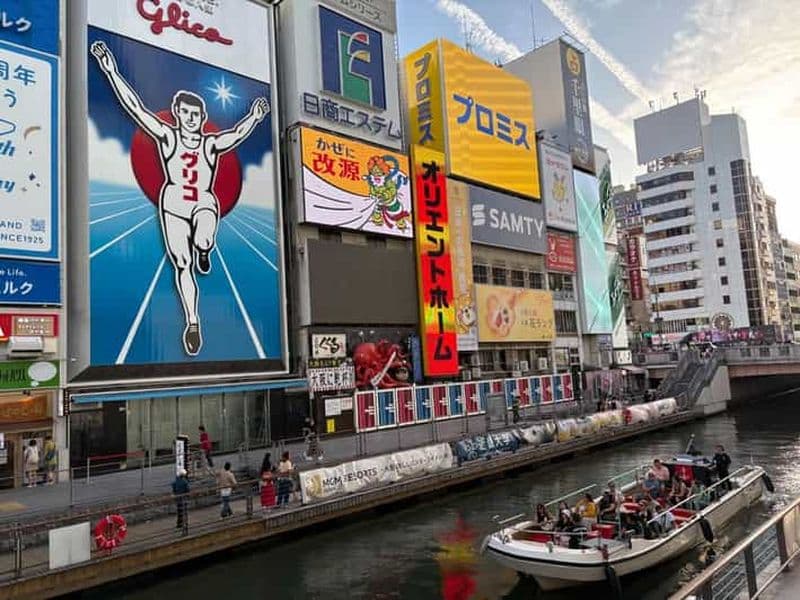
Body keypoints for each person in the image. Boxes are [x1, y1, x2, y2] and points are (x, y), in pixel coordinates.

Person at [91, 41, 269, 356]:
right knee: (182, 265)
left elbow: (235, 135)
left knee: (203, 238)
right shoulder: (168, 136)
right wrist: (111, 70)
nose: (190, 117)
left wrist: (254, 118)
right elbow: (136, 108)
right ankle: (193, 321)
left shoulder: (210, 144)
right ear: (177, 113)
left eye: (195, 113)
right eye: (185, 112)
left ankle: (205, 249)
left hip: (203, 201)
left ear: (202, 117)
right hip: (173, 202)